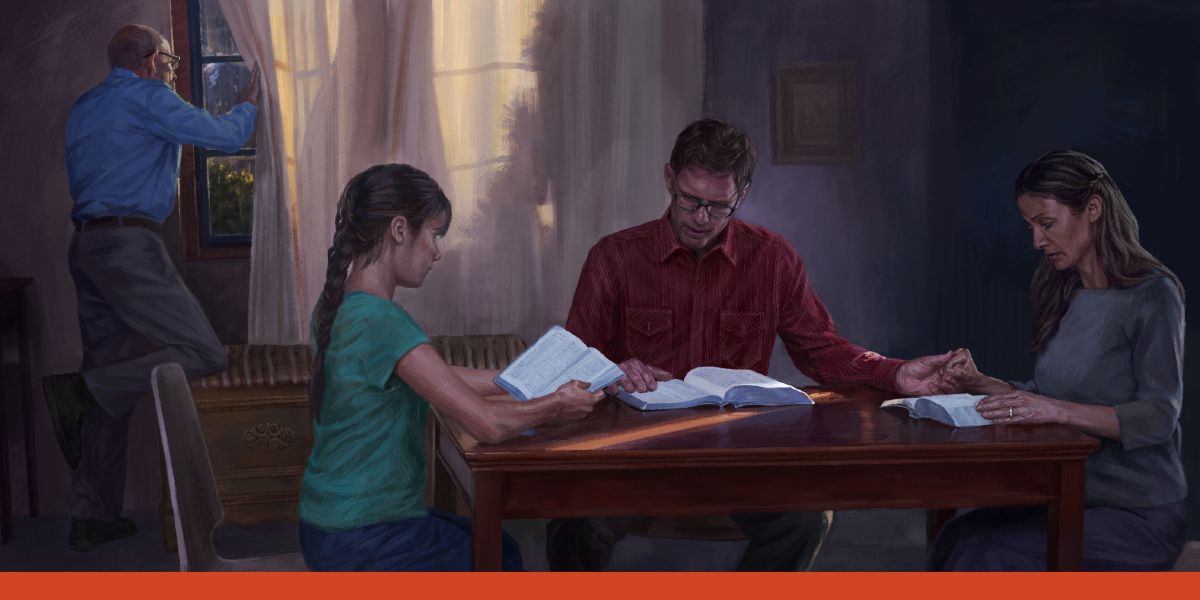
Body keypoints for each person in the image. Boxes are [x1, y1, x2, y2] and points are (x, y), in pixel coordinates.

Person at [547, 118, 961, 571]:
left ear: (742, 194)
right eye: (689, 200)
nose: (701, 219)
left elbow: (820, 348)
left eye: (719, 205)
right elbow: (574, 361)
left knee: (805, 521)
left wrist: (895, 372)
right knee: (574, 521)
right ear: (670, 179)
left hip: (738, 457)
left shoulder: (772, 258)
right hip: (637, 458)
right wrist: (613, 370)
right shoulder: (614, 256)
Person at [298, 164, 603, 571]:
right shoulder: (381, 321)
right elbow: (489, 426)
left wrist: (522, 381)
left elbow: (441, 378)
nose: (438, 251)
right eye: (435, 234)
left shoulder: (340, 306)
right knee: (499, 556)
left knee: (496, 544)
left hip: (331, 522)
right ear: (400, 229)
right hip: (361, 533)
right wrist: (555, 404)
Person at [42, 24, 260, 551]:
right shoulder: (147, 95)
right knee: (202, 351)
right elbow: (229, 137)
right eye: (169, 59)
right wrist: (249, 101)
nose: (174, 69)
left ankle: (91, 515)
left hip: (87, 249)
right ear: (145, 59)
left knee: (106, 380)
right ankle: (80, 391)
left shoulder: (85, 106)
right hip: (128, 247)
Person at [931, 150, 1187, 571]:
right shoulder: (1063, 290)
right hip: (1069, 494)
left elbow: (1159, 417)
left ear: (1092, 209)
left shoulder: (1154, 294)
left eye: (1046, 224)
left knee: (982, 554)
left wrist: (1053, 409)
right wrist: (980, 383)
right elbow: (1049, 397)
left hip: (1136, 512)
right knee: (957, 535)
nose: (1037, 241)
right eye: (1030, 226)